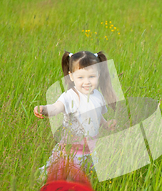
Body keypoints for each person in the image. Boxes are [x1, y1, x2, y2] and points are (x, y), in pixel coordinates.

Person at [33, 50, 117, 182]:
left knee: (84, 178)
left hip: (89, 149)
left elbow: (97, 115)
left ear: (99, 75)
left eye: (91, 77)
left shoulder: (98, 97)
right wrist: (43, 109)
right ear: (71, 77)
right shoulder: (69, 97)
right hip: (69, 150)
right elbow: (55, 108)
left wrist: (106, 124)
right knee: (58, 175)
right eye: (81, 77)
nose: (87, 82)